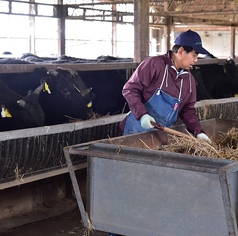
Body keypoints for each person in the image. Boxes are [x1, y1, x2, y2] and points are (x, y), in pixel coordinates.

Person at [107, 29, 211, 236]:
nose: (196, 60)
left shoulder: (189, 80)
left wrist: (198, 132)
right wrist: (142, 114)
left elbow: (188, 110)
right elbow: (130, 89)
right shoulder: (154, 65)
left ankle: (145, 226)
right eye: (194, 55)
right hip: (136, 132)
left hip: (161, 136)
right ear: (181, 51)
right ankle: (116, 228)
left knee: (151, 182)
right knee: (129, 181)